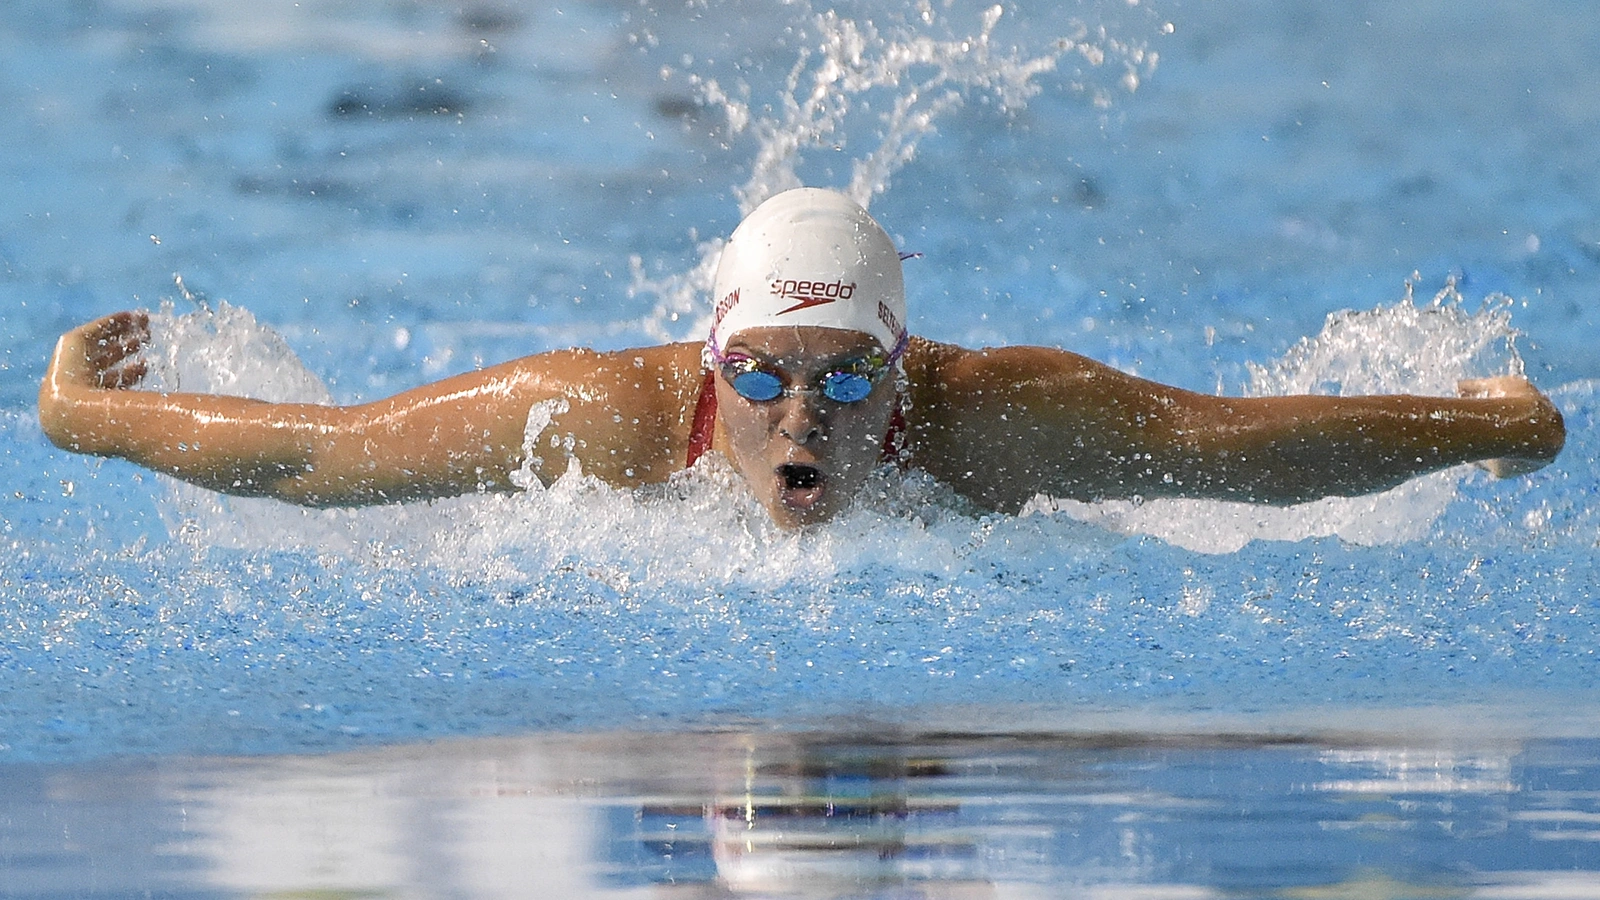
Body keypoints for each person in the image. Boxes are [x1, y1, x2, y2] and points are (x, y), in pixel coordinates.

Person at [39, 188, 1565, 529]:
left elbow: (1249, 450)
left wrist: (1486, 422)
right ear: (713, 362)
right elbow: (323, 455)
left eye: (847, 379)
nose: (797, 421)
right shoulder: (597, 419)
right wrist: (79, 418)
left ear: (907, 368)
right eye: (763, 375)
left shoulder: (1009, 422)